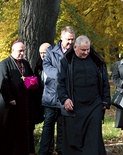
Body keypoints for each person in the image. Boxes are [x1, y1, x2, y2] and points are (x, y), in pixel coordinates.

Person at [57, 35, 111, 155]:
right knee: (74, 139)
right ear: (75, 47)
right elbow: (60, 83)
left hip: (94, 104)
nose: (86, 52)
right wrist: (64, 99)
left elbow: (104, 81)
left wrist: (106, 100)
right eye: (83, 50)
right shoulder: (66, 61)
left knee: (93, 137)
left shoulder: (97, 61)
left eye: (88, 49)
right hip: (75, 105)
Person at [39, 26, 76, 155]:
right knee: (48, 127)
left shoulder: (74, 52)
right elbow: (47, 69)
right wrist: (62, 74)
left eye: (72, 39)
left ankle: (61, 151)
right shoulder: (50, 51)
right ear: (61, 37)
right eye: (68, 39)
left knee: (63, 128)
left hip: (65, 97)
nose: (71, 42)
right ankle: (44, 152)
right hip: (50, 97)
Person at [0, 41, 37, 155]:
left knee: (23, 130)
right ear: (13, 50)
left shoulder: (25, 63)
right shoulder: (4, 64)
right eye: (20, 51)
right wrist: (10, 99)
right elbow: (3, 82)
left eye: (23, 51)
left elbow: (31, 78)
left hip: (24, 103)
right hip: (11, 105)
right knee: (11, 130)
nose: (22, 53)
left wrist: (32, 83)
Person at [34, 43, 51, 124]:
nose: (43, 55)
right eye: (41, 53)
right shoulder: (38, 66)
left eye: (45, 52)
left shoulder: (56, 64)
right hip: (41, 95)